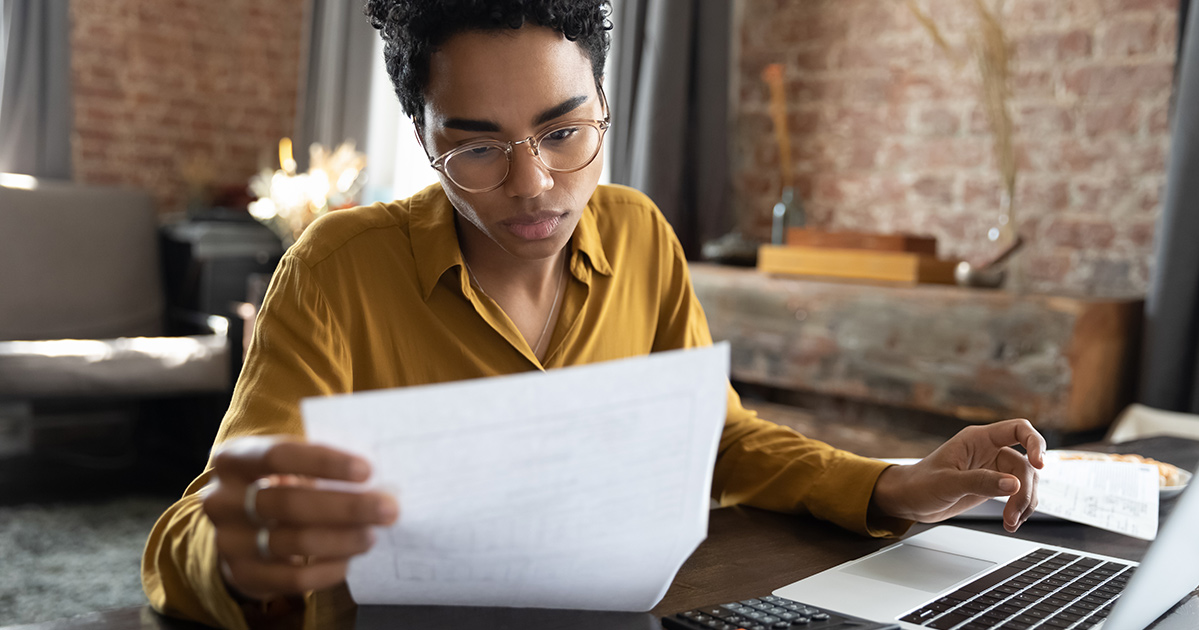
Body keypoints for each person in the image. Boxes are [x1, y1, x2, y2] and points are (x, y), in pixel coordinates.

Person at [141, 1, 1045, 628]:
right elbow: (195, 529)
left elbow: (717, 440)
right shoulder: (335, 272)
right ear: (423, 139)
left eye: (566, 132)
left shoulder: (642, 237)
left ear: (606, 106)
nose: (535, 186)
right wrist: (234, 555)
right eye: (478, 147)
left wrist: (892, 484)